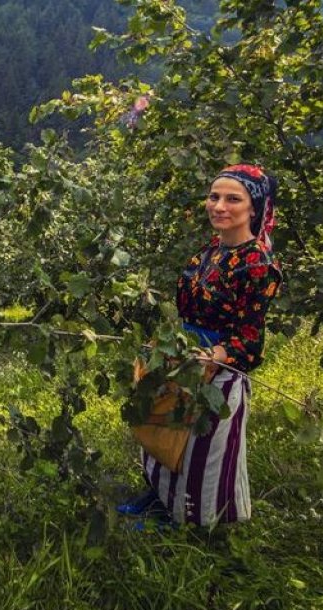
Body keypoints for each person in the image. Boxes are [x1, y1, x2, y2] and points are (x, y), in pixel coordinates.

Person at [119, 164, 283, 527]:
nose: (219, 206)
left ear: (253, 208)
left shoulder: (257, 264)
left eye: (233, 199)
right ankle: (161, 500)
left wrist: (212, 356)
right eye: (214, 197)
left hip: (218, 370)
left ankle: (195, 521)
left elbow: (250, 338)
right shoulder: (212, 249)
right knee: (166, 433)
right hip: (185, 357)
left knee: (201, 450)